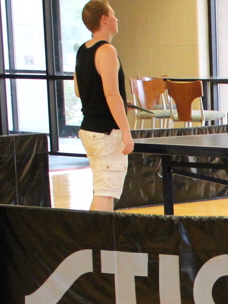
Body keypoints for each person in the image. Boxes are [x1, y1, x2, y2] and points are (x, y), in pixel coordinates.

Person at [74, 1, 133, 212]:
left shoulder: (83, 50)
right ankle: (96, 241)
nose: (117, 19)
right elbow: (111, 93)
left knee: (103, 189)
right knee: (105, 193)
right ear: (104, 19)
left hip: (90, 130)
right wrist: (126, 132)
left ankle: (99, 241)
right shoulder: (107, 50)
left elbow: (80, 90)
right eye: (113, 14)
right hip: (105, 133)